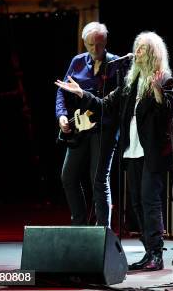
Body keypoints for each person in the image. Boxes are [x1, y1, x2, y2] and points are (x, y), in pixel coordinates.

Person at [56, 31, 173, 271]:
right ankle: (148, 251)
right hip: (132, 152)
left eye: (142, 49)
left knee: (149, 201)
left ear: (152, 53)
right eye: (137, 47)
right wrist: (81, 94)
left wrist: (158, 92)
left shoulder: (163, 80)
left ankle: (156, 254)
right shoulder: (130, 82)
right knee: (137, 204)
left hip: (151, 152)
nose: (137, 52)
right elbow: (105, 105)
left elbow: (167, 114)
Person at [55, 22, 121, 228]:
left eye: (99, 45)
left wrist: (83, 94)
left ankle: (103, 230)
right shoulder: (77, 62)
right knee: (68, 176)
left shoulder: (117, 64)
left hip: (104, 129)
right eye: (90, 45)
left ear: (105, 42)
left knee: (98, 180)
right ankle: (79, 226)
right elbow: (62, 91)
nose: (95, 50)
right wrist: (62, 116)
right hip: (81, 128)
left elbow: (113, 104)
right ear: (84, 43)